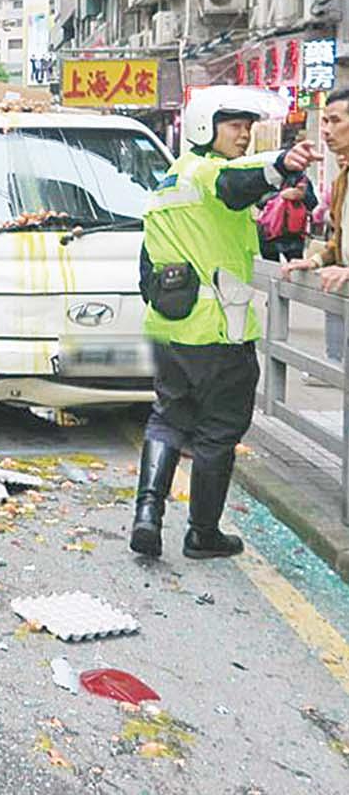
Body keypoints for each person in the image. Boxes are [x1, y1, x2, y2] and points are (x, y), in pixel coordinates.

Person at [131, 87, 318, 560]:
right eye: (234, 126)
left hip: (170, 330)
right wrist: (284, 161)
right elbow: (243, 180)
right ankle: (202, 533)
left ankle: (147, 516)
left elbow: (146, 263)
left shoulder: (169, 182)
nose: (243, 135)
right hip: (220, 333)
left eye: (248, 127)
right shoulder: (212, 174)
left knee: (167, 419)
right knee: (218, 430)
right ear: (204, 127)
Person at [282, 88, 349, 363]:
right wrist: (315, 261)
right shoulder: (342, 179)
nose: (326, 130)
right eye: (324, 121)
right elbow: (339, 241)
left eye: (335, 121)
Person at [257, 176, 316, 262]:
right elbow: (259, 202)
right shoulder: (267, 176)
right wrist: (280, 195)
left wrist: (302, 196)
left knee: (295, 269)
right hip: (269, 233)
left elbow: (312, 203)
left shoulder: (301, 179)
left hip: (294, 235)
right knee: (271, 269)